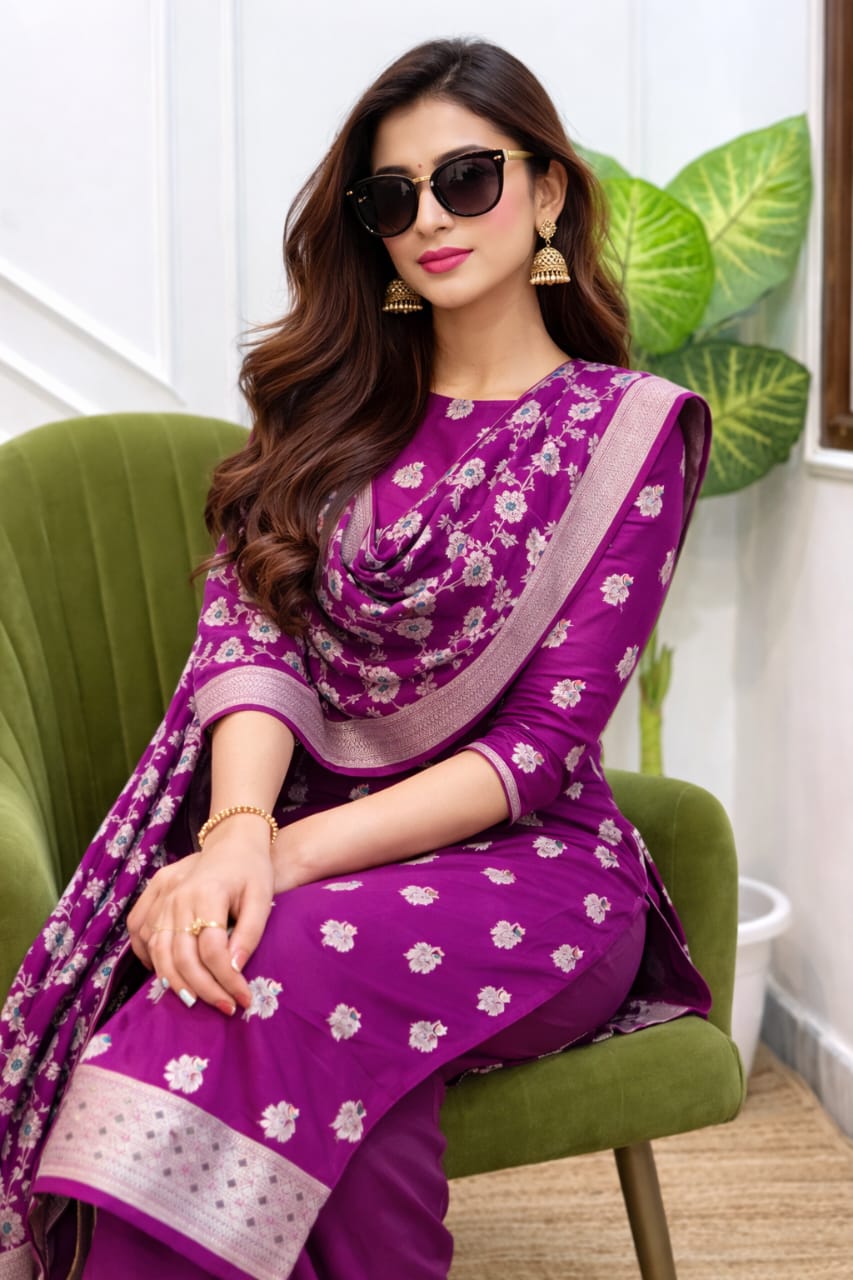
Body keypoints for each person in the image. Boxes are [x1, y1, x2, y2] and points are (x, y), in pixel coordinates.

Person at [0, 36, 713, 1280]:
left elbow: (538, 750)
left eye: (468, 179)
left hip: (534, 878)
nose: (430, 217)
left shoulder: (627, 431)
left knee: (249, 958)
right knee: (294, 1028)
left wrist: (273, 857)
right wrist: (231, 830)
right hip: (299, 851)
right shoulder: (327, 419)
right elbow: (251, 643)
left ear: (547, 192)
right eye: (394, 197)